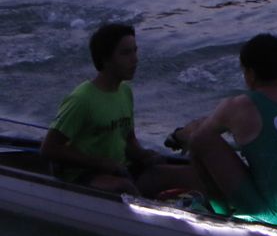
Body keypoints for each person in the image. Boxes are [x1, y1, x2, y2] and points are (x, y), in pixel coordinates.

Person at [169, 33, 277, 230]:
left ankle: (219, 217)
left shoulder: (241, 106)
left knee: (201, 140)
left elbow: (201, 132)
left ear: (250, 74)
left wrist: (179, 136)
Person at [41, 22, 196, 197]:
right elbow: (49, 148)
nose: (135, 59)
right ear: (105, 59)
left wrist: (145, 155)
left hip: (120, 169)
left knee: (191, 174)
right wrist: (100, 163)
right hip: (84, 175)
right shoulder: (81, 99)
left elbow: (129, 141)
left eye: (135, 51)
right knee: (125, 188)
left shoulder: (125, 92)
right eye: (125, 53)